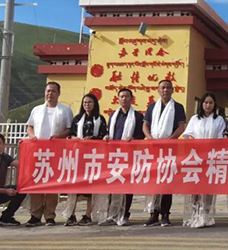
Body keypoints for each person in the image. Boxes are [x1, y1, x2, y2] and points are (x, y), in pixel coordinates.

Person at [25, 81, 73, 227]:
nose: (50, 93)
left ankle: (50, 215)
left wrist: (58, 136)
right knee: (37, 183)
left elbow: (69, 129)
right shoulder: (37, 110)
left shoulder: (65, 110)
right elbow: (29, 126)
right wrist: (32, 136)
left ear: (58, 93)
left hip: (55, 152)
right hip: (38, 152)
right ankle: (35, 215)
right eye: (48, 91)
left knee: (52, 185)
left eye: (53, 91)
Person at [143, 79, 186, 227]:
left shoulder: (178, 107)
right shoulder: (152, 107)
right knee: (154, 181)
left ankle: (165, 214)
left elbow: (181, 126)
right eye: (163, 88)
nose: (165, 90)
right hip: (154, 148)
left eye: (168, 88)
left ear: (172, 90)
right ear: (158, 90)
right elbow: (145, 125)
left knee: (167, 181)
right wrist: (150, 139)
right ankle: (153, 213)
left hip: (170, 149)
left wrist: (170, 140)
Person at [100, 88, 145, 226]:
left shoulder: (137, 116)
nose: (124, 99)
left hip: (129, 156)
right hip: (114, 156)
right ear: (118, 99)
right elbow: (108, 132)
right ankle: (112, 215)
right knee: (112, 184)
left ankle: (124, 214)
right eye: (121, 96)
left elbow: (141, 135)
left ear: (132, 99)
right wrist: (106, 136)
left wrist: (134, 139)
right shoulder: (113, 116)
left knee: (127, 186)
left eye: (127, 96)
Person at [184, 92, 227, 228]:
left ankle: (206, 215)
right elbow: (187, 135)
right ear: (202, 104)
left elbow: (221, 138)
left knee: (208, 187)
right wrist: (195, 143)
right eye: (206, 102)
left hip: (211, 157)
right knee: (195, 187)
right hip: (196, 157)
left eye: (211, 103)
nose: (208, 105)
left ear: (214, 105)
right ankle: (195, 214)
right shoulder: (195, 119)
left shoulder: (219, 120)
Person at [64, 93, 108, 227]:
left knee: (91, 187)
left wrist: (92, 139)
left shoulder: (100, 119)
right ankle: (71, 214)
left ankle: (88, 215)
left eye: (89, 102)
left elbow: (103, 135)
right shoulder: (77, 119)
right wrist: (74, 139)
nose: (87, 105)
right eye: (85, 102)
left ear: (95, 104)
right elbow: (70, 134)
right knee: (74, 186)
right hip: (78, 156)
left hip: (93, 157)